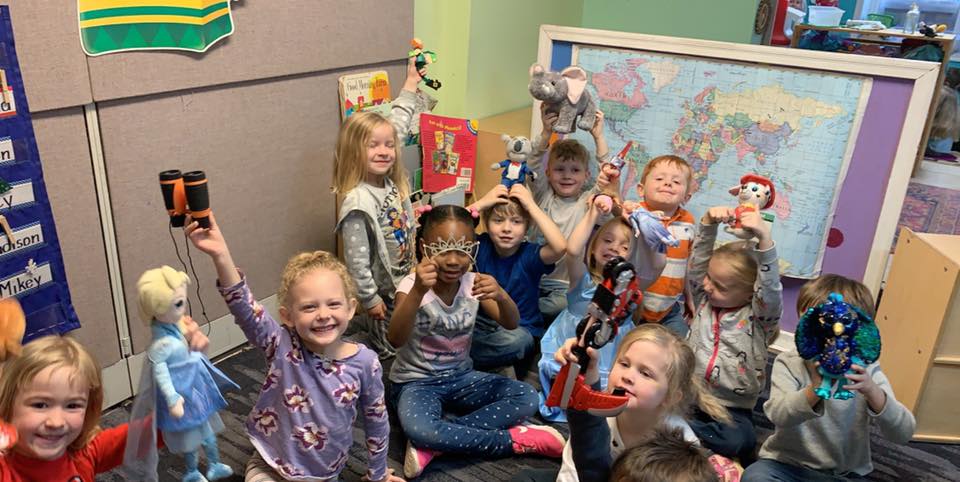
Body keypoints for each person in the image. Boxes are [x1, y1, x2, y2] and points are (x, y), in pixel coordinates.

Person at [186, 214, 400, 482]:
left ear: (350, 308)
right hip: (271, 465)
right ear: (288, 316)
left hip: (323, 474)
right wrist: (220, 254)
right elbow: (244, 307)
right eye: (309, 307)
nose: (323, 314)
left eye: (333, 304)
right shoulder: (282, 344)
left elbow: (376, 420)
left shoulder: (366, 363)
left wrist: (378, 474)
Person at [388, 205, 565, 479]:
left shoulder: (472, 282)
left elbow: (511, 323)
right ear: (424, 248)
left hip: (461, 377)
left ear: (474, 249)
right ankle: (513, 440)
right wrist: (417, 292)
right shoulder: (411, 286)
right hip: (416, 382)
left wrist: (501, 295)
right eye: (442, 249)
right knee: (420, 429)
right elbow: (395, 339)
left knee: (527, 396)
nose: (453, 260)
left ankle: (436, 444)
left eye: (463, 250)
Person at [742, 274, 916, 481]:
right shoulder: (789, 362)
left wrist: (872, 391)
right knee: (755, 477)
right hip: (788, 464)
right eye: (810, 322)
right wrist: (814, 390)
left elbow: (903, 433)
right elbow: (777, 415)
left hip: (843, 473)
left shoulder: (867, 369)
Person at [333, 56, 436, 359]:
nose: (385, 151)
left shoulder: (388, 179)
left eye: (389, 145)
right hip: (383, 291)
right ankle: (357, 350)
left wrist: (411, 83)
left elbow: (398, 123)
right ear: (354, 151)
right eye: (373, 145)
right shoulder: (359, 202)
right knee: (390, 347)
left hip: (404, 276)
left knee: (413, 331)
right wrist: (369, 298)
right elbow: (356, 260)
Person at [537, 195, 665, 422]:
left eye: (625, 246)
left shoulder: (632, 287)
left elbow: (658, 265)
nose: (614, 248)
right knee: (567, 389)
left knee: (604, 395)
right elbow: (573, 251)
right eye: (607, 240)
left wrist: (647, 225)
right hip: (572, 344)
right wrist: (594, 211)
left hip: (612, 350)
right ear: (594, 247)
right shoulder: (582, 280)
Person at [554, 324, 732, 482]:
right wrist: (582, 365)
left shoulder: (680, 450)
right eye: (624, 364)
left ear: (669, 397)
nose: (627, 376)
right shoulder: (598, 417)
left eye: (645, 374)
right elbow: (572, 471)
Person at [686, 206, 783, 464]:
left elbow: (770, 289)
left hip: (731, 408)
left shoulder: (759, 318)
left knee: (740, 440)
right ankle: (690, 437)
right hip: (690, 395)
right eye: (709, 277)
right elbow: (697, 265)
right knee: (650, 406)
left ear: (751, 293)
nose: (707, 286)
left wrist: (764, 239)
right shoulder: (703, 299)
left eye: (719, 286)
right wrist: (708, 223)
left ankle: (686, 436)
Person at [125, 266, 237, 482]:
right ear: (158, 308)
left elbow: (188, 342)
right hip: (181, 393)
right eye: (178, 304)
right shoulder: (162, 345)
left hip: (193, 388)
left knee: (207, 431)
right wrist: (172, 398)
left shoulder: (173, 328)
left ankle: (214, 464)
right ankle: (192, 472)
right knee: (190, 439)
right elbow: (160, 372)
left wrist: (193, 334)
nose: (183, 308)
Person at [467, 183, 566, 375]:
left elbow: (560, 247)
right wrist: (482, 203)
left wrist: (531, 206)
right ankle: (487, 360)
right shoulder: (482, 245)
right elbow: (449, 230)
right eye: (498, 220)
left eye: (516, 222)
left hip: (520, 328)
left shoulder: (529, 254)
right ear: (487, 223)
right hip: (480, 323)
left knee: (520, 342)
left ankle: (463, 356)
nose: (506, 228)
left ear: (527, 226)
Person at [0, 336, 127, 481]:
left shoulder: (82, 453)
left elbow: (141, 435)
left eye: (72, 406)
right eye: (40, 405)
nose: (57, 422)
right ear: (7, 405)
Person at [527, 105, 612, 322]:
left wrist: (599, 136)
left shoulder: (588, 202)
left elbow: (608, 175)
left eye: (575, 170)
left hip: (564, 286)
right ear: (548, 173)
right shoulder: (543, 194)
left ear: (586, 175)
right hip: (532, 278)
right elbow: (532, 164)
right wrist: (546, 133)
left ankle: (529, 315)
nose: (567, 176)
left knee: (562, 306)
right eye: (559, 169)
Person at [622, 155, 697, 337]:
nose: (668, 183)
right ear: (641, 189)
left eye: (676, 182)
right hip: (632, 303)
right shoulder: (635, 215)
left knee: (681, 344)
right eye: (659, 179)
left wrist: (689, 297)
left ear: (686, 196)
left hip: (668, 309)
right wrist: (627, 209)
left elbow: (685, 265)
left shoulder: (688, 223)